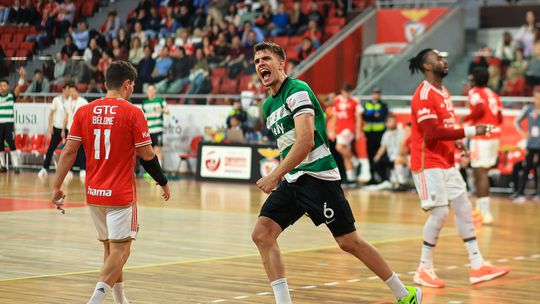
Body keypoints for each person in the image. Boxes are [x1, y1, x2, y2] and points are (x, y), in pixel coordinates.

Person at [251, 41, 421, 304]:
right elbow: (288, 146)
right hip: (294, 179)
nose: (260, 64)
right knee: (262, 234)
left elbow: (305, 141)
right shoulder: (268, 106)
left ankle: (405, 293)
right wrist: (283, 175)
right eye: (256, 61)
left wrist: (275, 175)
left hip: (318, 177)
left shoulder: (297, 91)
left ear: (281, 63)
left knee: (348, 242)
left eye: (266, 59)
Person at [51, 61, 170, 304]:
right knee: (121, 251)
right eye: (133, 84)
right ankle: (95, 300)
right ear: (127, 84)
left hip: (94, 193)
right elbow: (146, 154)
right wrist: (162, 181)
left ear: (106, 83)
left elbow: (68, 152)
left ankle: (121, 300)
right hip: (120, 195)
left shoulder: (84, 111)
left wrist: (56, 186)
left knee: (109, 249)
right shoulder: (133, 112)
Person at [408, 48, 510, 288]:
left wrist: (457, 142)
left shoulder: (444, 91)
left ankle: (477, 266)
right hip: (427, 162)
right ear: (427, 66)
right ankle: (423, 268)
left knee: (464, 207)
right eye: (438, 58)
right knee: (440, 213)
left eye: (444, 57)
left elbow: (446, 125)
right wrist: (472, 131)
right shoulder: (423, 95)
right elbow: (432, 132)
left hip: (446, 160)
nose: (444, 61)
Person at [460, 67, 503, 224]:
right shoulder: (494, 94)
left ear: (474, 79)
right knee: (483, 171)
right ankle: (480, 210)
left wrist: (465, 119)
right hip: (495, 134)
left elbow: (479, 108)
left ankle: (484, 213)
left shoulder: (475, 92)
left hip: (483, 135)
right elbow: (499, 117)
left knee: (480, 173)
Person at [513, 87, 540, 203]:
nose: (538, 100)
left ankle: (538, 194)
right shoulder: (529, 109)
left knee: (538, 169)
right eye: (536, 98)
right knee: (527, 168)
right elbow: (516, 121)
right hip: (531, 144)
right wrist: (523, 133)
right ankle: (520, 193)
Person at [332, 83, 361, 183]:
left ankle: (355, 161)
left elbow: (358, 117)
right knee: (345, 155)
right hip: (340, 129)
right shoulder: (337, 100)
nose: (346, 94)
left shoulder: (355, 101)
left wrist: (358, 131)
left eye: (348, 92)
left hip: (349, 128)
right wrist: (332, 130)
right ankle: (351, 178)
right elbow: (335, 116)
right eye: (345, 92)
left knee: (339, 147)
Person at [38, 85, 70, 178]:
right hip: (57, 127)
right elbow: (51, 114)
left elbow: (68, 116)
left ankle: (68, 170)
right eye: (67, 89)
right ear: (63, 90)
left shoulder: (71, 101)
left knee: (68, 150)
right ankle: (45, 168)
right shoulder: (56, 100)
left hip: (67, 128)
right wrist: (50, 125)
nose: (68, 91)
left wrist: (64, 129)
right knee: (51, 148)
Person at [369, 114, 405, 191]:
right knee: (377, 162)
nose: (392, 123)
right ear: (387, 123)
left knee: (398, 161)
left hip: (400, 156)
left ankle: (401, 184)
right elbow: (383, 147)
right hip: (390, 157)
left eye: (394, 121)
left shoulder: (402, 132)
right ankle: (385, 181)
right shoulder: (386, 134)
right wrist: (377, 157)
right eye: (390, 122)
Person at [362, 87, 389, 184]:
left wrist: (370, 115)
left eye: (377, 93)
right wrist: (374, 115)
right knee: (370, 156)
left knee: (381, 156)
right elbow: (364, 116)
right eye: (374, 93)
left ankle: (383, 177)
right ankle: (372, 177)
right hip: (369, 135)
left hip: (380, 135)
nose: (376, 95)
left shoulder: (383, 105)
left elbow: (382, 117)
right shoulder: (368, 104)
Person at [66, 82, 89, 179]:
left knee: (81, 151)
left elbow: (87, 116)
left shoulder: (83, 101)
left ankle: (83, 169)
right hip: (70, 129)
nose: (71, 94)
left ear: (76, 91)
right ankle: (69, 170)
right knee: (70, 151)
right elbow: (67, 116)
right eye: (70, 92)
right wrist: (64, 129)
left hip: (81, 130)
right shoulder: (69, 101)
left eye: (72, 92)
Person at [141, 84, 169, 164]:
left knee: (158, 150)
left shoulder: (160, 100)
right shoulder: (144, 103)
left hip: (157, 129)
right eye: (149, 90)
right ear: (146, 91)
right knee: (149, 152)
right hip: (148, 131)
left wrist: (162, 110)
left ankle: (159, 171)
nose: (150, 92)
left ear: (155, 91)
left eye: (152, 90)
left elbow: (168, 111)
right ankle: (150, 171)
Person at [0, 79, 22, 173]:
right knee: (0, 145)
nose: (2, 87)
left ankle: (16, 166)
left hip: (9, 123)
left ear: (8, 87)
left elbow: (18, 88)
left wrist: (21, 77)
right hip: (0, 123)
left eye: (4, 85)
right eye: (1, 85)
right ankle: (2, 165)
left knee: (11, 143)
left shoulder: (11, 95)